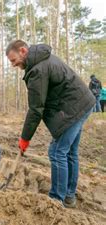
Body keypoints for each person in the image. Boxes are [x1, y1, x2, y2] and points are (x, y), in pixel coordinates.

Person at [5, 40, 95, 208]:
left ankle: (56, 200)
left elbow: (35, 110)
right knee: (69, 152)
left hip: (73, 109)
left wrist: (25, 138)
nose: (13, 65)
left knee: (57, 152)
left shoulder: (38, 70)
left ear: (23, 51)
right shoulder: (42, 58)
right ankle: (68, 195)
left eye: (13, 60)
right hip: (83, 103)